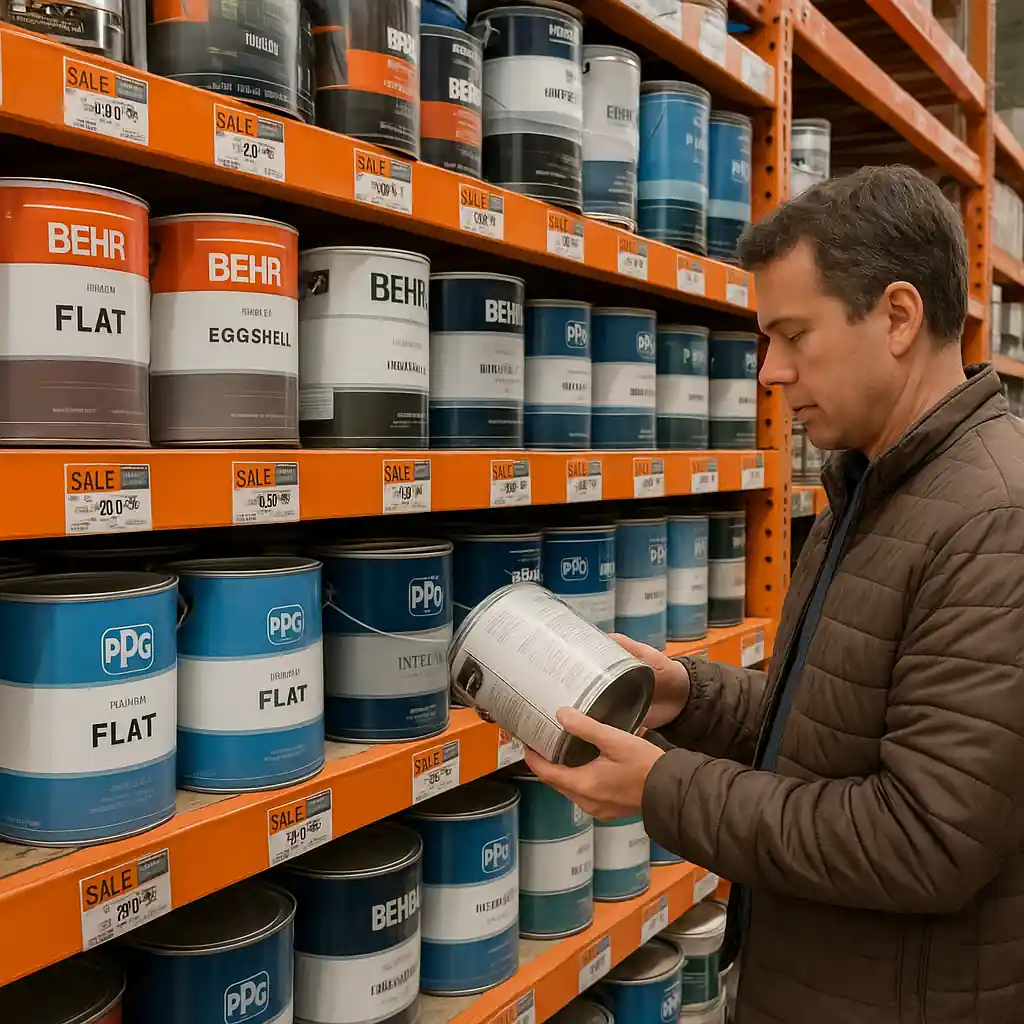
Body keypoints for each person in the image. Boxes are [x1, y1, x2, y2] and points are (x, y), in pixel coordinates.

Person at [525, 164, 1024, 1023]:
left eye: (793, 335)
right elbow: (835, 727)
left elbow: (925, 837)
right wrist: (689, 696)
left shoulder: (993, 518)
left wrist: (662, 788)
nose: (769, 372)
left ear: (898, 317)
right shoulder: (872, 485)